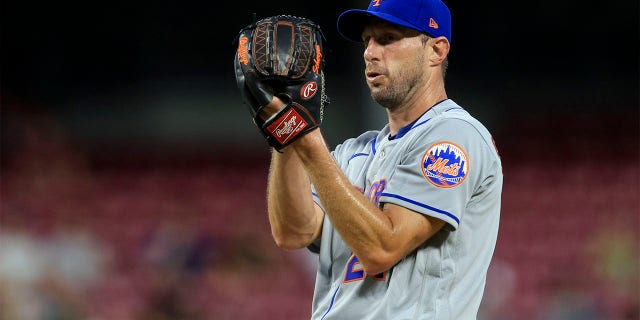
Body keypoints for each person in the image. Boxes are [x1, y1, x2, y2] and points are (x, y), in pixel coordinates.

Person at [258, 0, 503, 318]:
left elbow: (382, 249)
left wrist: (309, 141)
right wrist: (286, 133)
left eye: (387, 38)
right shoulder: (352, 152)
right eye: (367, 41)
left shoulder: (455, 135)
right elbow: (294, 233)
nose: (370, 53)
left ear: (436, 50)